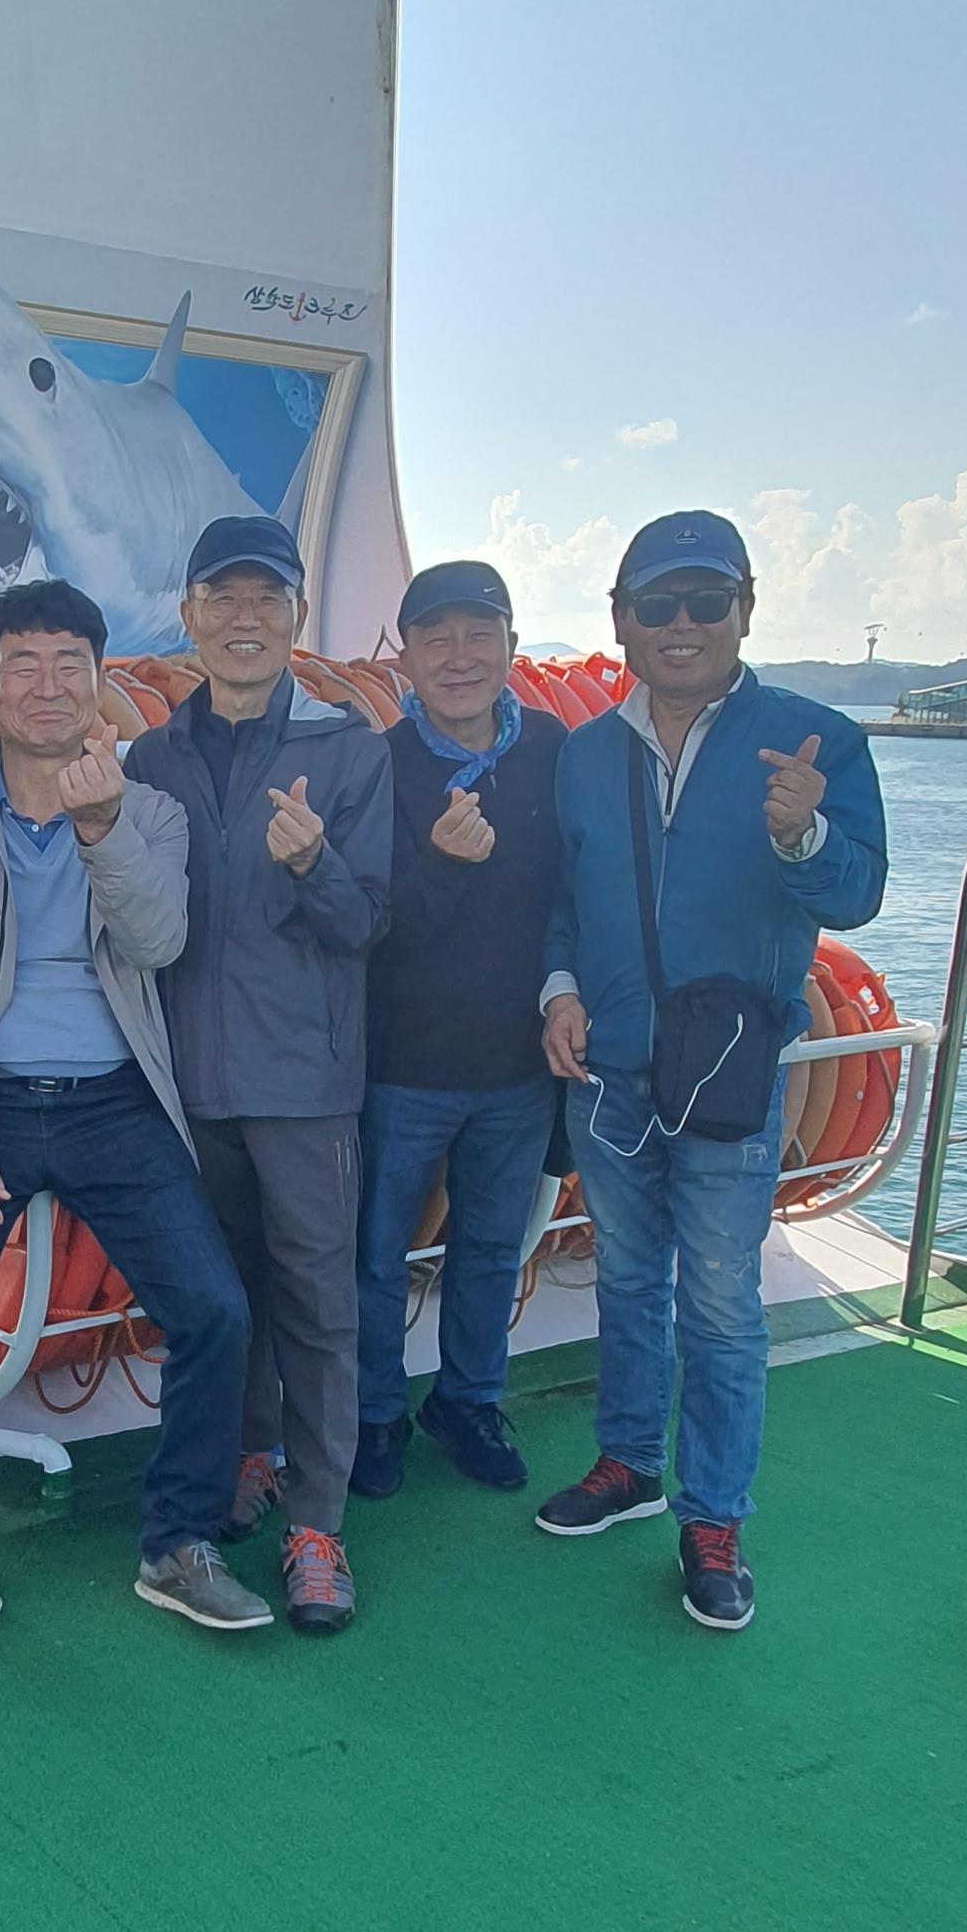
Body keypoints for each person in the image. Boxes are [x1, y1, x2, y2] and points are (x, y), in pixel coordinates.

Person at [0, 578, 272, 1677]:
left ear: (100, 682)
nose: (47, 686)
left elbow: (157, 941)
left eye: (70, 665)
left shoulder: (149, 811)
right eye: (24, 664)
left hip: (112, 1101)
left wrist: (101, 829)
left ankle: (178, 1541)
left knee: (215, 1311)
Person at [536, 507, 887, 1632]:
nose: (680, 624)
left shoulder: (815, 740)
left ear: (745, 611)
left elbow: (857, 895)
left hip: (729, 1075)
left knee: (725, 1301)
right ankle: (629, 1463)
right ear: (620, 619)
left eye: (705, 601)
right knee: (629, 1278)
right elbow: (561, 898)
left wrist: (802, 837)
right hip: (610, 1072)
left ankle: (714, 1515)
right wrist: (558, 990)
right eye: (658, 603)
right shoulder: (585, 754)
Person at [123, 515, 392, 1635]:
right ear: (188, 616)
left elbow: (368, 922)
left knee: (318, 1307)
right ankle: (249, 1451)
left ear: (295, 616)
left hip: (304, 1087)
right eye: (222, 599)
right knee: (223, 1299)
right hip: (190, 1085)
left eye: (266, 599)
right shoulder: (153, 755)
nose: (244, 619)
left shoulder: (350, 750)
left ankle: (317, 1525)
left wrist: (315, 863)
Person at [352, 560, 565, 1501]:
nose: (459, 655)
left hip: (517, 1067)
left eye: (480, 634)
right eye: (435, 637)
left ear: (512, 646)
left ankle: (469, 1401)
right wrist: (438, 863)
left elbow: (579, 894)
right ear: (403, 656)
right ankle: (373, 1413)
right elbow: (362, 922)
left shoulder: (553, 750)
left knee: (490, 1250)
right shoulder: (378, 764)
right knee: (374, 1258)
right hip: (399, 1070)